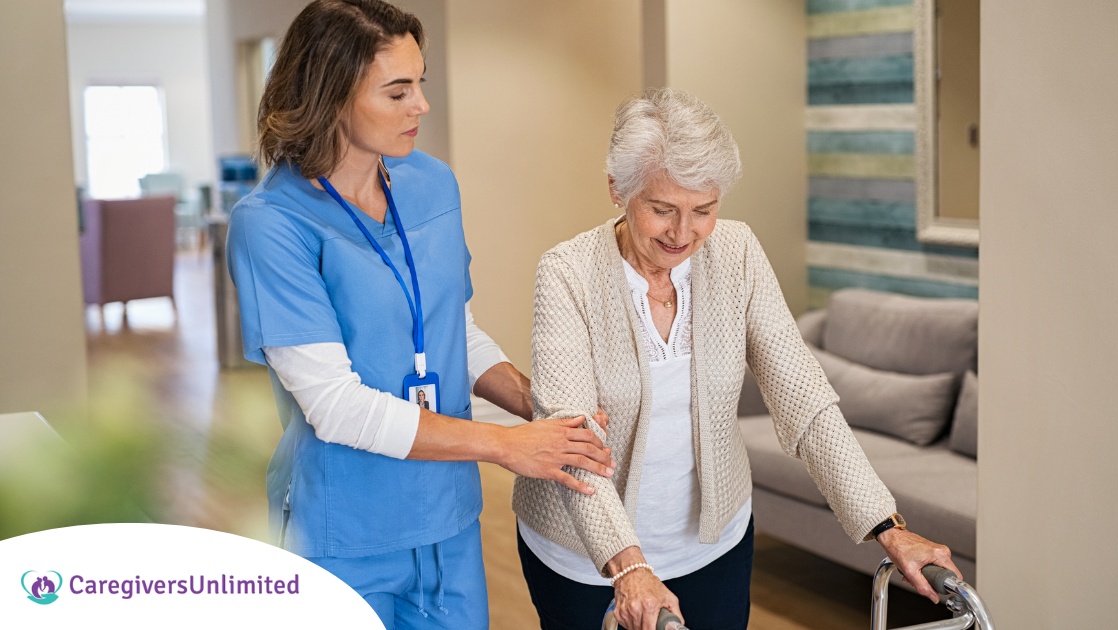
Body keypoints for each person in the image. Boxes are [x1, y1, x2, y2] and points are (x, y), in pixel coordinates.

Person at [226, 2, 614, 628]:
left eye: (421, 83)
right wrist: (509, 447)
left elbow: (449, 327)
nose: (421, 106)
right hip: (345, 529)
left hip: (447, 518)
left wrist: (538, 408)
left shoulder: (432, 184)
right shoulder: (271, 224)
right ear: (330, 96)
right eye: (397, 90)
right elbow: (334, 405)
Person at [511, 88, 960, 630]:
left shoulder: (737, 251)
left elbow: (804, 398)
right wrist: (629, 567)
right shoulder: (568, 273)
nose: (684, 233)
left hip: (712, 544)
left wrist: (887, 524)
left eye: (704, 209)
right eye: (662, 210)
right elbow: (572, 438)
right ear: (617, 189)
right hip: (584, 558)